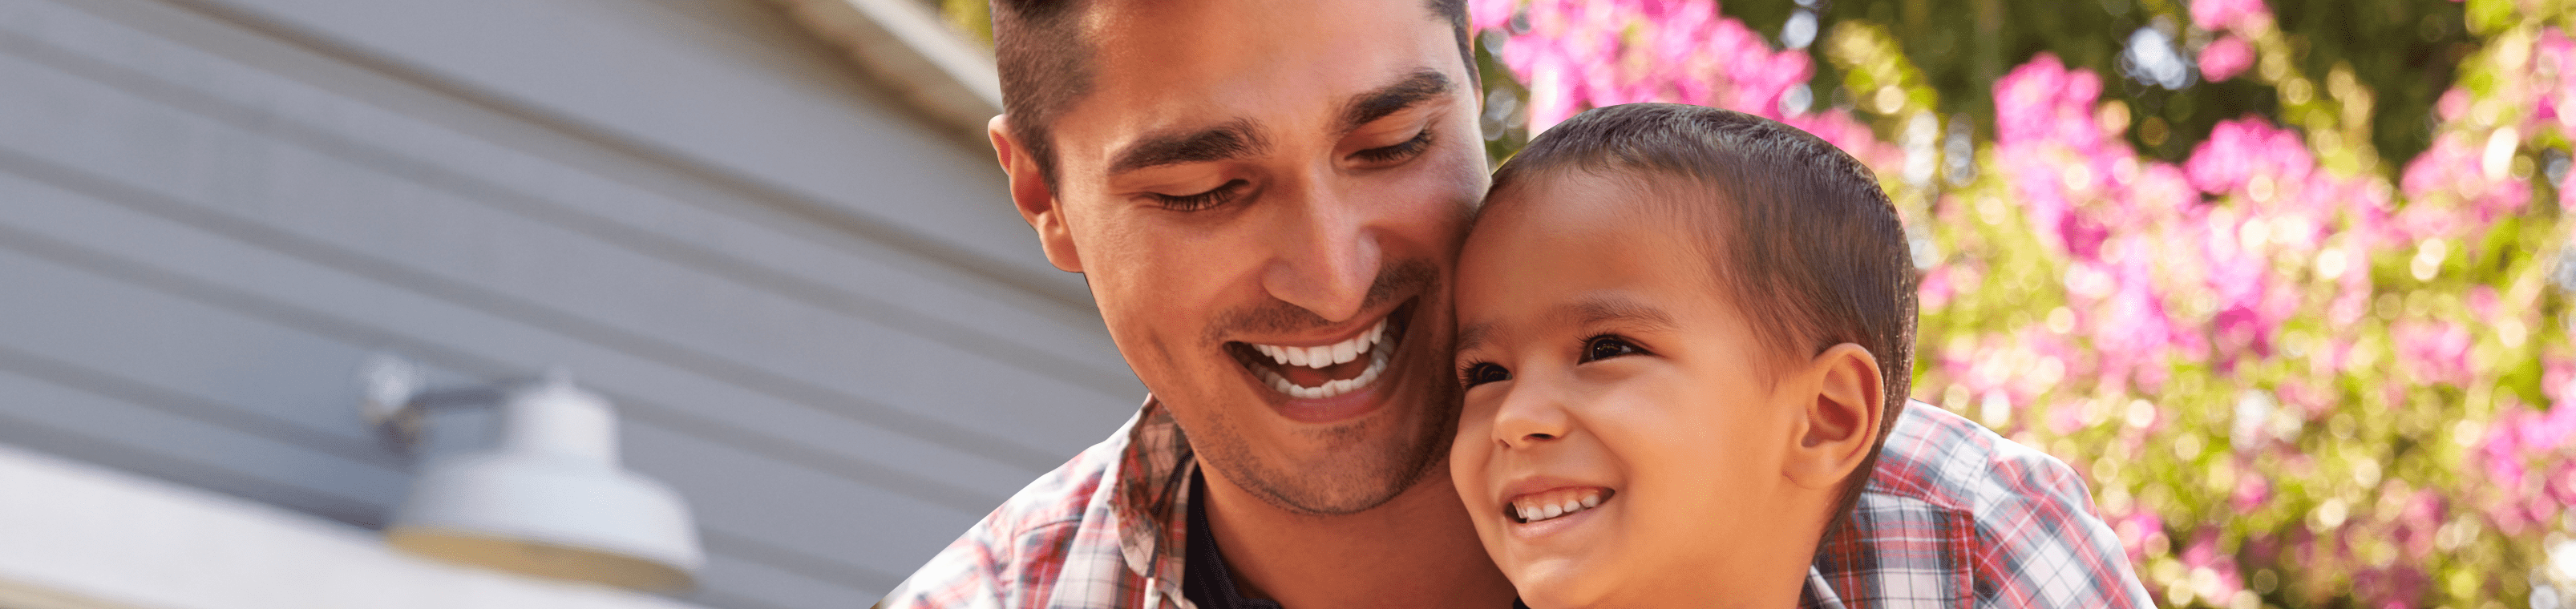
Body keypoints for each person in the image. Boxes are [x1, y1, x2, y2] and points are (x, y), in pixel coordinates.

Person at [878, 0, 2147, 606]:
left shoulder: (1962, 547)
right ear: (1042, 194)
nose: (1333, 274)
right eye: (1210, 191)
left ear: (1472, 83)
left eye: (1390, 144)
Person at [1447, 102, 2151, 608]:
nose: (1516, 415)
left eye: (1605, 349)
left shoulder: (1984, 530)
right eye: (1486, 373)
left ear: (1826, 417)